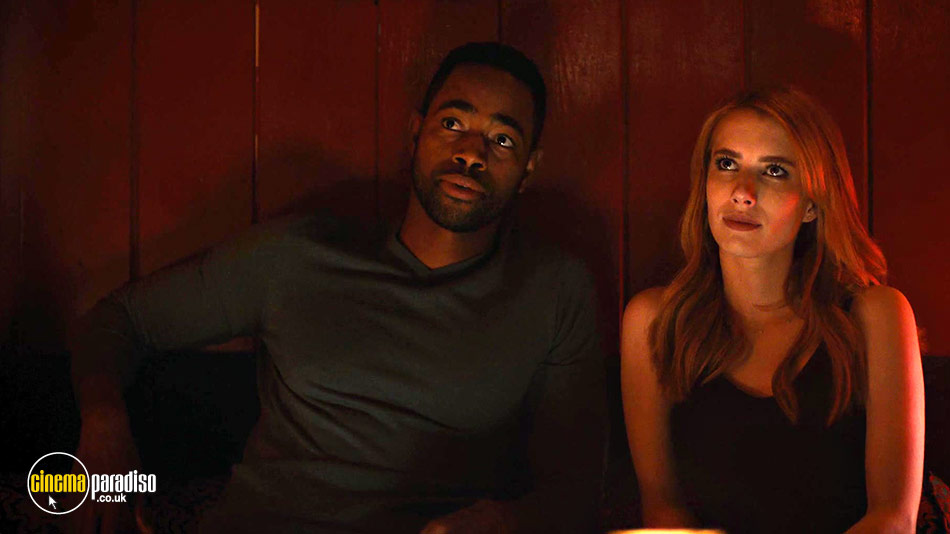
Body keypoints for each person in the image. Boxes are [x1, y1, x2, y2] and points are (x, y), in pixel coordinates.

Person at [70, 42, 606, 534]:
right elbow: (119, 320)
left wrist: (506, 523)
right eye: (452, 123)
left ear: (528, 168)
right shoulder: (297, 255)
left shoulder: (554, 291)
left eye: (502, 139)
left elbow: (575, 492)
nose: (471, 153)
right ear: (415, 132)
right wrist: (103, 422)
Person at [620, 87, 924, 534]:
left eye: (775, 171)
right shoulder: (653, 321)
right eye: (727, 164)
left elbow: (893, 518)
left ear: (812, 204)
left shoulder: (875, 315)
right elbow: (663, 509)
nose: (742, 193)